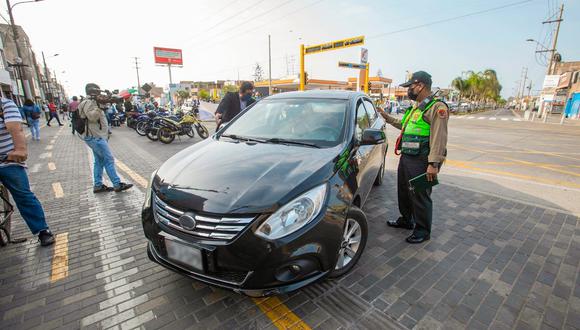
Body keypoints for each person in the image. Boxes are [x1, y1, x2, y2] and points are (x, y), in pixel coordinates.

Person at [377, 71, 449, 244]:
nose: (408, 90)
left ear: (420, 86)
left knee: (420, 195)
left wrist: (433, 164)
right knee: (404, 191)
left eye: (410, 87)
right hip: (408, 158)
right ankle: (407, 220)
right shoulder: (416, 108)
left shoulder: (436, 107)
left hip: (423, 161)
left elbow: (439, 137)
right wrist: (386, 117)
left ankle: (423, 230)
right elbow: (404, 125)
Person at [0, 97, 55, 246]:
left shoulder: (5, 105)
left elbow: (16, 129)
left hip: (7, 159)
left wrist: (20, 150)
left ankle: (42, 230)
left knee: (23, 195)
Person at [78, 83, 133, 193]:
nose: (100, 94)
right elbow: (92, 117)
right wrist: (99, 107)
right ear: (92, 92)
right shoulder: (88, 102)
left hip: (96, 137)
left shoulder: (91, 102)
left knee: (99, 161)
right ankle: (117, 184)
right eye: (98, 91)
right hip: (95, 137)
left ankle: (98, 185)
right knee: (109, 159)